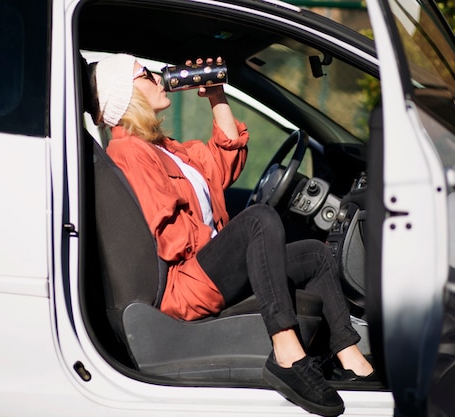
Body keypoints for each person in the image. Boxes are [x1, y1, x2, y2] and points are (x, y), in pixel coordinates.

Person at [87, 53, 375, 417]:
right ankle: (286, 353)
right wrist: (231, 247)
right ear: (126, 95)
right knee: (258, 221)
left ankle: (352, 360)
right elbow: (171, 238)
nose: (159, 78)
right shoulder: (129, 150)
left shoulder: (165, 146)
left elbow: (223, 167)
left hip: (204, 271)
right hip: (185, 285)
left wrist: (216, 96)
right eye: (145, 75)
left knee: (315, 256)